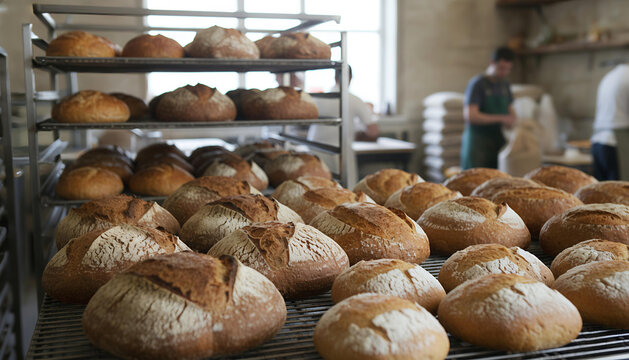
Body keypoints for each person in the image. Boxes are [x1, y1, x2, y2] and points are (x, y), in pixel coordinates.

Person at [461, 47, 517, 169]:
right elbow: (471, 116)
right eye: (501, 68)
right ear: (492, 63)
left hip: (497, 143)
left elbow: (511, 111)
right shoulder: (478, 84)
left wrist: (513, 121)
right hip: (478, 145)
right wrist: (501, 118)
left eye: (508, 69)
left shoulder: (505, 85)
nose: (504, 72)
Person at [307, 66, 378, 145]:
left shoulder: (319, 98)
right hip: (340, 150)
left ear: (335, 78)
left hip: (315, 145)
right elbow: (373, 131)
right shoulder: (354, 100)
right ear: (350, 77)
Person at [591, 63, 629, 181]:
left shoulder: (611, 76)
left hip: (598, 142)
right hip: (617, 144)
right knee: (621, 194)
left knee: (601, 194)